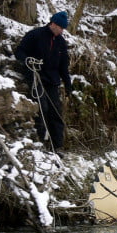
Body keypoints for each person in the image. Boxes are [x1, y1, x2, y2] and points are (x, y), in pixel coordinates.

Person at [15, 11, 72, 156]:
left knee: (56, 112)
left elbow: (63, 66)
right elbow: (20, 51)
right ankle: (41, 142)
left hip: (52, 81)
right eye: (60, 27)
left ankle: (57, 146)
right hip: (36, 76)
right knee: (42, 108)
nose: (61, 31)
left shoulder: (61, 43)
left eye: (63, 29)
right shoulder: (36, 35)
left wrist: (68, 84)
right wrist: (27, 60)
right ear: (52, 24)